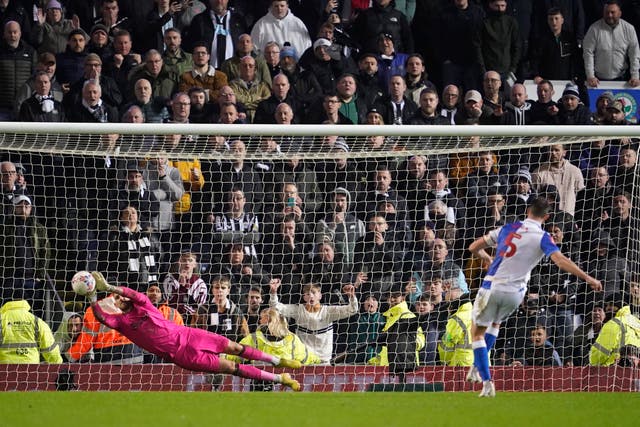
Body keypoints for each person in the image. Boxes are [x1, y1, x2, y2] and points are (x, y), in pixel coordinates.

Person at [466, 197, 601, 397]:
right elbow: (561, 261)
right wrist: (588, 278)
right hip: (516, 294)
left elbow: (473, 247)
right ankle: (478, 366)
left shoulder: (507, 228)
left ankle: (486, 381)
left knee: (477, 334)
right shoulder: (544, 236)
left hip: (492, 286)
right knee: (495, 325)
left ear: (528, 210)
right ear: (546, 217)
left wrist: (488, 258)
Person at [84, 271, 302, 390]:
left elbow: (134, 294)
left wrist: (111, 287)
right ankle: (281, 379)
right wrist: (93, 297)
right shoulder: (122, 323)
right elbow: (102, 317)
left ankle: (277, 361)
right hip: (181, 355)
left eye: (121, 296)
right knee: (232, 367)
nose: (120, 298)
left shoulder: (143, 304)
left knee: (235, 346)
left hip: (189, 334)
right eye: (116, 298)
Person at [269, 279, 358, 364]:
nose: (311, 296)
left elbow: (352, 309)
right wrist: (273, 292)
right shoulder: (298, 310)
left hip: (323, 360)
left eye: (314, 292)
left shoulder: (328, 312)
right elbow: (275, 307)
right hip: (304, 359)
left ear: (320, 295)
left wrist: (351, 296)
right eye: (307, 294)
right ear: (304, 297)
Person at [0, 298, 62, 363]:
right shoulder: (36, 321)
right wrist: (57, 365)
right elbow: (50, 349)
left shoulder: (2, 319)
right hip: (31, 369)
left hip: (4, 369)